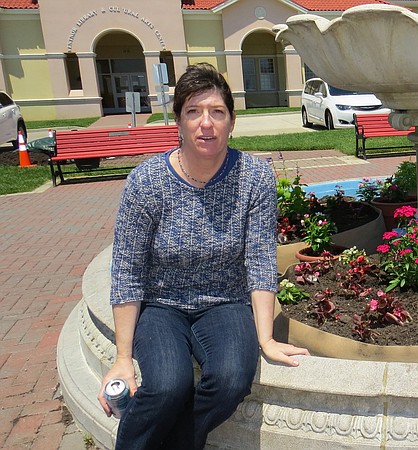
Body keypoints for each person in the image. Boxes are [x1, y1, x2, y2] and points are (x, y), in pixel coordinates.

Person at [97, 62, 309, 450]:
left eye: (217, 112)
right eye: (193, 112)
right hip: (162, 305)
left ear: (232, 122)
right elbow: (127, 270)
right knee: (166, 385)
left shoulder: (254, 177)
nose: (205, 123)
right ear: (178, 121)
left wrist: (265, 338)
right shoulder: (146, 181)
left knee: (232, 379)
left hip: (225, 303)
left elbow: (260, 260)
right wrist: (122, 358)